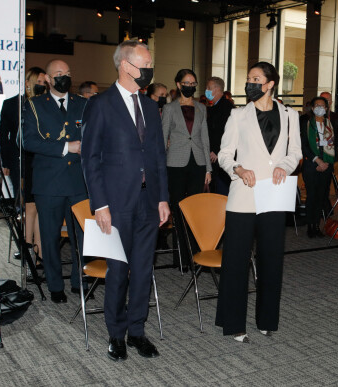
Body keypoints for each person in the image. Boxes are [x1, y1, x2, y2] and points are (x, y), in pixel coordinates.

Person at [81, 40, 169, 360]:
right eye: (144, 65)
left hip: (148, 202)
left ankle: (137, 332)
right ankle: (115, 334)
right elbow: (90, 159)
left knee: (143, 270)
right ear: (125, 65)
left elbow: (158, 155)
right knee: (118, 271)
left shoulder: (149, 106)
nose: (148, 71)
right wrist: (100, 205)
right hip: (116, 204)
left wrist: (163, 198)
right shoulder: (100, 104)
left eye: (150, 65)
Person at [215, 61, 302, 343]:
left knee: (271, 260)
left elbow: (296, 152)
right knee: (236, 261)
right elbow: (225, 154)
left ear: (270, 84)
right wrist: (238, 169)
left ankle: (267, 320)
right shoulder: (238, 115)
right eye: (248, 78)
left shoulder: (291, 115)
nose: (250, 83)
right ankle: (234, 323)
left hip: (275, 194)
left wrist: (285, 167)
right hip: (243, 195)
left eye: (256, 78)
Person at [23, 59, 88, 303]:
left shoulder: (83, 104)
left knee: (81, 235)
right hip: (49, 182)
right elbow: (28, 141)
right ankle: (55, 285)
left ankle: (78, 280)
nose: (64, 77)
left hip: (78, 182)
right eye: (58, 73)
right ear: (48, 79)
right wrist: (65, 147)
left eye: (68, 73)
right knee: (49, 237)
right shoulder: (35, 105)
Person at [161, 69, 212, 267]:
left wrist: (208, 168)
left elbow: (205, 139)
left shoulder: (201, 108)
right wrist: (160, 167)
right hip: (175, 164)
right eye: (186, 82)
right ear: (179, 84)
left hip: (198, 164)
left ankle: (195, 254)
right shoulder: (169, 109)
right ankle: (181, 257)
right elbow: (162, 137)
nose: (190, 86)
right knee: (178, 209)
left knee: (195, 211)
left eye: (193, 82)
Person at [0, 66, 46, 267]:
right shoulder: (12, 104)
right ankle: (28, 248)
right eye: (39, 82)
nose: (42, 85)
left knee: (39, 207)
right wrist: (6, 162)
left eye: (45, 82)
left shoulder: (46, 105)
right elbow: (4, 136)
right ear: (28, 82)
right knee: (27, 206)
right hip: (20, 162)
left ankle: (39, 251)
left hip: (42, 162)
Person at [300, 96, 335, 238]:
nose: (320, 108)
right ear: (313, 108)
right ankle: (310, 226)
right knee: (312, 196)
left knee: (321, 196)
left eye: (323, 105)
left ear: (326, 108)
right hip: (311, 164)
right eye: (317, 105)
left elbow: (333, 144)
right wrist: (317, 161)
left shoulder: (329, 124)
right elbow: (303, 145)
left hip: (326, 165)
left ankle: (317, 225)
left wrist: (326, 162)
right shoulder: (306, 123)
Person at [205, 76, 234, 195]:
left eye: (209, 88)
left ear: (216, 89)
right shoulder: (215, 106)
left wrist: (216, 150)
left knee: (221, 189)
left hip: (220, 155)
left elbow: (225, 132)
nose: (206, 90)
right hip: (215, 154)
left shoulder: (226, 107)